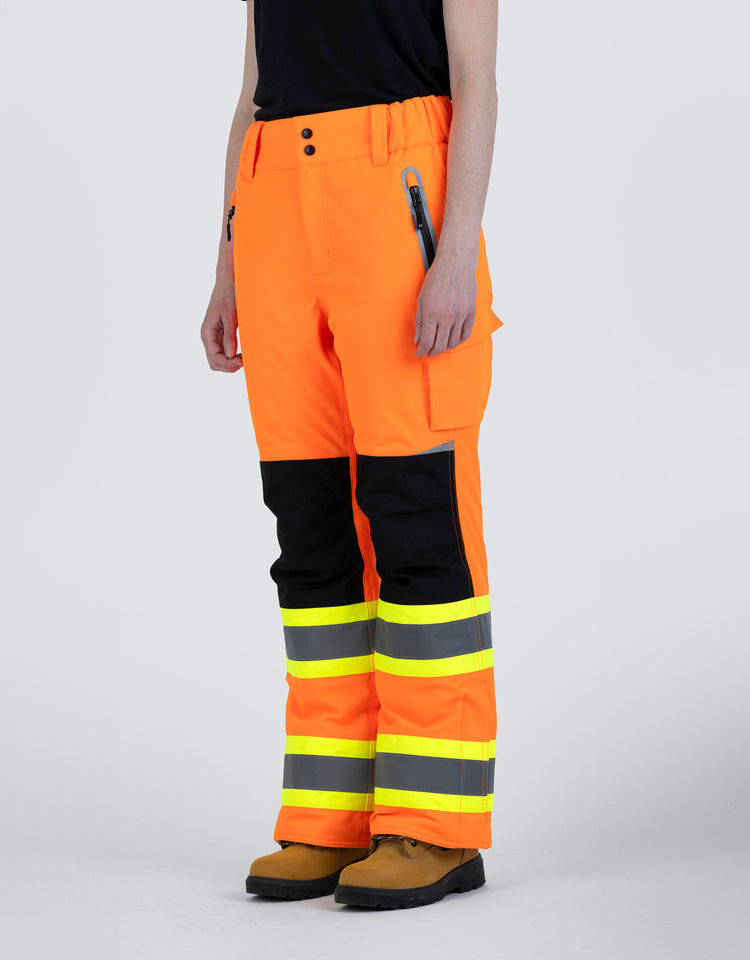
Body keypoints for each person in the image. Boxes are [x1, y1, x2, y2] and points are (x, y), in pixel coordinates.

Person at [200, 0, 502, 910]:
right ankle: (328, 817)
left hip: (396, 196)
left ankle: (435, 825)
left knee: (416, 508)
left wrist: (456, 251)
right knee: (311, 522)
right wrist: (226, 264)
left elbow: (478, 81)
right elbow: (253, 93)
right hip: (274, 205)